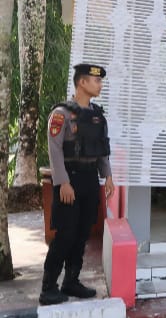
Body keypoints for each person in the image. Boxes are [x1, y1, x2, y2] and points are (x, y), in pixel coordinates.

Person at [40, 64, 115, 306]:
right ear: (82, 82)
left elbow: (101, 149)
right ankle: (48, 288)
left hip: (90, 180)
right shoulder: (61, 114)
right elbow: (54, 150)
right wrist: (62, 182)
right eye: (96, 80)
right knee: (66, 234)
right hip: (69, 180)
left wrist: (108, 176)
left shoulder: (97, 115)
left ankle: (71, 281)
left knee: (82, 233)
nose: (100, 85)